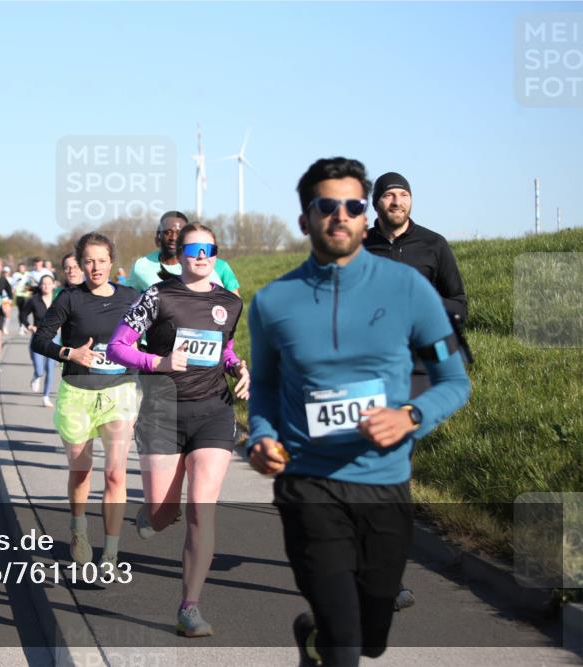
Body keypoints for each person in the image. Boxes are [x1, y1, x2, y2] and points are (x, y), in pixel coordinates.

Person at [246, 157, 470, 666]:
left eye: (353, 205)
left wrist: (411, 416)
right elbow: (264, 388)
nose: (341, 215)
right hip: (309, 483)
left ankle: (313, 637)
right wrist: (260, 436)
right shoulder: (273, 302)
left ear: (365, 216)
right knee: (346, 645)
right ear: (305, 220)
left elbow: (453, 381)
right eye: (327, 205)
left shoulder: (409, 289)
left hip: (384, 482)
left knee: (371, 639)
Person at [107, 222, 249, 638]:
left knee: (201, 510)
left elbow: (223, 348)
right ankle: (151, 513)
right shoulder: (158, 295)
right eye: (193, 248)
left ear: (217, 254)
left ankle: (190, 607)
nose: (202, 255)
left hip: (213, 412)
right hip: (162, 412)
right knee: (163, 512)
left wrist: (240, 368)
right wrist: (160, 363)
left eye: (209, 248)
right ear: (180, 253)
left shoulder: (230, 302)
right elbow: (119, 347)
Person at [363, 172, 470, 611]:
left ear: (411, 201)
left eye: (403, 194)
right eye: (389, 194)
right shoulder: (360, 246)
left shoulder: (434, 245)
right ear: (376, 202)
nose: (396, 200)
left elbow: (459, 303)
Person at [31, 233, 140, 576]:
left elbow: (156, 333)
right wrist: (71, 353)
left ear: (111, 262)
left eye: (102, 260)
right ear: (81, 263)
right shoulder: (69, 299)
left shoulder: (131, 298)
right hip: (77, 394)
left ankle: (110, 551)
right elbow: (40, 339)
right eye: (88, 261)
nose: (95, 267)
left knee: (115, 473)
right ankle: (78, 531)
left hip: (118, 393)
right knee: (81, 473)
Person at [127, 211, 241, 295]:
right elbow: (126, 301)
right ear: (159, 236)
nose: (173, 237)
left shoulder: (202, 265)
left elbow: (227, 301)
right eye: (167, 232)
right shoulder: (141, 266)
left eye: (179, 233)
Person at [20, 273, 58, 407]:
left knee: (50, 368)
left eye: (48, 283)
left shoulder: (59, 299)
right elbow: (23, 315)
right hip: (38, 338)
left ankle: (46, 396)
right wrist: (29, 326)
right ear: (40, 286)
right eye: (43, 284)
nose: (46, 286)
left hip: (55, 338)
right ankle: (37, 376)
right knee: (40, 369)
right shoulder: (34, 300)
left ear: (54, 284)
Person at [11, 262, 32, 335]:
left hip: (26, 295)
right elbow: (12, 284)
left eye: (22, 267)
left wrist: (28, 287)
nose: (21, 269)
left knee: (26, 312)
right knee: (20, 311)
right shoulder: (15, 275)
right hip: (19, 295)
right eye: (20, 268)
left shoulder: (28, 274)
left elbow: (30, 283)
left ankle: (25, 325)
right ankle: (21, 326)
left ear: (25, 268)